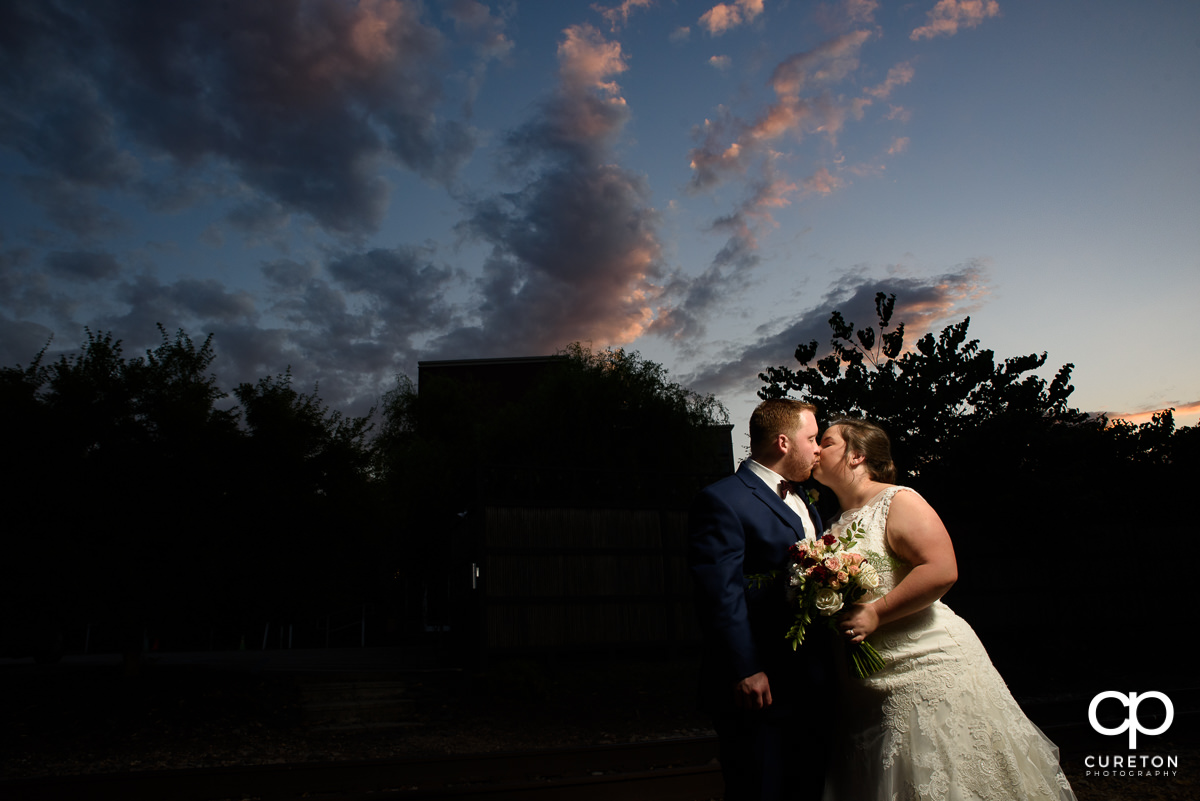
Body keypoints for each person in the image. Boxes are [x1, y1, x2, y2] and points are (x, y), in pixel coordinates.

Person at [813, 418, 1076, 801]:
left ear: (857, 456)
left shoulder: (899, 500)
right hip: (867, 685)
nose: (818, 450)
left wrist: (876, 612)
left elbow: (942, 569)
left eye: (827, 442)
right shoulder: (831, 524)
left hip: (927, 666)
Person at [688, 399, 830, 801]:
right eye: (812, 438)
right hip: (759, 681)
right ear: (784, 442)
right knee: (760, 786)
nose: (818, 447)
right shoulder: (722, 500)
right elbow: (720, 593)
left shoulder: (806, 498)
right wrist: (745, 668)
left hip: (808, 678)